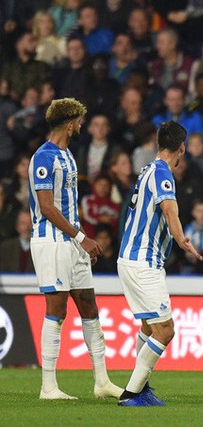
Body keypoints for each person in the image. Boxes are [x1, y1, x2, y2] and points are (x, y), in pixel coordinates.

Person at [28, 98, 121, 400]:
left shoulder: (68, 156)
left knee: (89, 306)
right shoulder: (44, 157)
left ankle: (102, 381)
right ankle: (48, 386)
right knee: (56, 310)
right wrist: (82, 238)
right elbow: (46, 208)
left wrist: (81, 240)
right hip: (51, 241)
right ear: (70, 124)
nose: (82, 125)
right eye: (80, 121)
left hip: (72, 241)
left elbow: (66, 207)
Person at [116, 120, 203, 406]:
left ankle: (142, 388)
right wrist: (182, 240)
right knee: (165, 330)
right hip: (143, 262)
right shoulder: (163, 174)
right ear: (181, 148)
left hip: (129, 259)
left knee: (148, 327)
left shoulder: (146, 171)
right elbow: (169, 208)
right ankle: (131, 393)